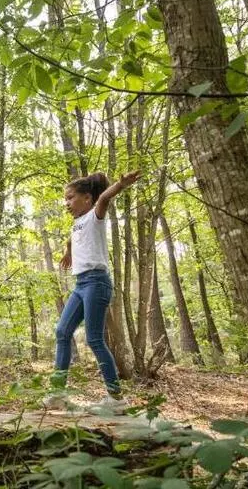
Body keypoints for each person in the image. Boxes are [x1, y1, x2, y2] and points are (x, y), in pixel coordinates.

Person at [44, 170, 140, 412]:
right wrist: (68, 252)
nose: (66, 203)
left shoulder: (95, 216)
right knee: (62, 331)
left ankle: (116, 398)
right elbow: (73, 239)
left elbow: (104, 198)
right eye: (65, 199)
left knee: (94, 338)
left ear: (87, 198)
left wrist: (120, 185)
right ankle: (58, 394)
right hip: (81, 284)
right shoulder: (77, 223)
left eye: (70, 198)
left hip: (97, 282)